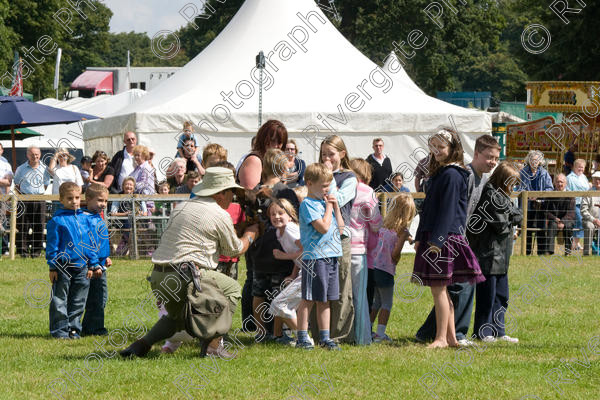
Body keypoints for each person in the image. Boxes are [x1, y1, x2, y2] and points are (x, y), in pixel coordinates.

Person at [119, 167, 259, 359]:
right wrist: (251, 234)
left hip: (159, 276)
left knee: (177, 318)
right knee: (232, 288)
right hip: (188, 275)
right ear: (221, 193)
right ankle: (213, 345)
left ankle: (140, 345)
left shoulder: (182, 206)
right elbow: (233, 250)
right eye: (232, 192)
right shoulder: (219, 214)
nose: (233, 197)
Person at [416, 134, 501, 346]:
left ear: (452, 147)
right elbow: (429, 209)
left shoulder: (452, 174)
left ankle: (440, 338)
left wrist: (437, 240)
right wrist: (420, 236)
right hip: (443, 235)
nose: (436, 150)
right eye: (433, 146)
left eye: (441, 146)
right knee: (445, 289)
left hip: (443, 238)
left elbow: (449, 210)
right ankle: (452, 338)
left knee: (440, 289)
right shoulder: (446, 172)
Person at [467, 162, 522, 343]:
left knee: (501, 295)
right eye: (511, 182)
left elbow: (517, 214)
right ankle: (482, 332)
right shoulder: (490, 194)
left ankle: (499, 330)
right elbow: (501, 225)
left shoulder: (503, 195)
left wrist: (512, 217)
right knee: (487, 297)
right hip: (488, 255)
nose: (513, 186)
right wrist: (512, 217)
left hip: (502, 255)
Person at [296, 163, 345, 351]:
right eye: (324, 186)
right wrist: (328, 208)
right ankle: (301, 336)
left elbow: (340, 229)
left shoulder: (325, 204)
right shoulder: (308, 204)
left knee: (326, 299)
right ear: (309, 183)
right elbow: (323, 227)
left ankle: (325, 337)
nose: (327, 189)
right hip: (315, 257)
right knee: (308, 298)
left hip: (332, 255)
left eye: (329, 185)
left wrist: (335, 207)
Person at [318, 135, 358, 343]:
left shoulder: (349, 177)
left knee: (341, 285)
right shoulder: (317, 175)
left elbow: (337, 199)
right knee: (320, 285)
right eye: (323, 154)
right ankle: (319, 332)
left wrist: (327, 177)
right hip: (318, 236)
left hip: (339, 236)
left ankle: (340, 334)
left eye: (331, 154)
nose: (327, 158)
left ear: (342, 154)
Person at [46, 182, 98, 339]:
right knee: (59, 299)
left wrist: (93, 264)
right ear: (61, 200)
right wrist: (53, 267)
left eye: (77, 197)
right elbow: (52, 245)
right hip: (63, 266)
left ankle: (74, 329)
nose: (74, 201)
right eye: (69, 198)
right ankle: (60, 330)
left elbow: (91, 243)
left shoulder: (86, 219)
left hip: (82, 266)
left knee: (78, 300)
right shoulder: (57, 221)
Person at [370, 193, 416, 342]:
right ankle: (380, 334)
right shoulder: (401, 232)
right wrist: (403, 242)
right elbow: (395, 254)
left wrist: (409, 238)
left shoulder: (384, 224)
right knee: (387, 303)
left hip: (374, 267)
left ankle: (368, 329)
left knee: (376, 301)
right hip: (386, 270)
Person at [348, 158, 383, 345]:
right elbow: (376, 224)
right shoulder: (367, 191)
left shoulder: (339, 188)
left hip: (339, 246)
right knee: (361, 296)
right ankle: (362, 337)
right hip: (360, 248)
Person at [267, 199, 303, 346]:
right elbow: (298, 255)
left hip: (312, 271)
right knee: (281, 304)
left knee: (279, 304)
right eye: (272, 214)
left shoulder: (290, 229)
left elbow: (307, 250)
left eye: (281, 213)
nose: (276, 217)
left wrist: (284, 256)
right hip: (303, 272)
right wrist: (293, 274)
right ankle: (287, 336)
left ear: (290, 216)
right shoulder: (279, 232)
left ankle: (303, 338)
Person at [81, 183, 112, 336]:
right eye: (100, 200)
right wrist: (94, 264)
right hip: (92, 266)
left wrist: (105, 257)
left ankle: (88, 327)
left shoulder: (97, 218)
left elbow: (100, 242)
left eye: (106, 201)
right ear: (88, 199)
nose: (103, 204)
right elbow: (88, 244)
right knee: (97, 297)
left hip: (100, 263)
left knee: (100, 297)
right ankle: (96, 329)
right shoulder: (86, 219)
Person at [14, 146, 51, 257]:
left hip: (40, 199)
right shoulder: (21, 169)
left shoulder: (45, 168)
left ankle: (36, 252)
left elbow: (45, 185)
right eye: (32, 154)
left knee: (39, 226)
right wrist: (25, 195)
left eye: (37, 154)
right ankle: (22, 252)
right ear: (27, 155)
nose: (35, 156)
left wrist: (36, 194)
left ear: (40, 155)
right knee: (22, 226)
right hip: (24, 199)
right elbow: (16, 185)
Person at [213, 161, 245, 280]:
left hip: (231, 260)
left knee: (230, 291)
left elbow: (241, 231)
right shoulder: (210, 206)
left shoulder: (237, 207)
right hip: (213, 260)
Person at [519, 150, 554, 255]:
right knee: (527, 229)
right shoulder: (523, 172)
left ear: (540, 161)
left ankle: (541, 252)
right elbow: (519, 187)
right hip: (527, 205)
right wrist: (528, 195)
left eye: (536, 160)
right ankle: (527, 252)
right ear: (528, 160)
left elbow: (550, 188)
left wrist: (539, 196)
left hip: (541, 205)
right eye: (532, 159)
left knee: (541, 229)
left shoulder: (544, 173)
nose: (534, 162)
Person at [237, 120, 287, 190]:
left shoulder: (277, 162)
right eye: (272, 141)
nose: (275, 146)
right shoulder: (254, 160)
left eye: (279, 142)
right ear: (263, 139)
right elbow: (250, 196)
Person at [543, 173, 575, 255]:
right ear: (554, 183)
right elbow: (546, 210)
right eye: (557, 182)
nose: (559, 184)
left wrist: (563, 221)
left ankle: (568, 252)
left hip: (566, 219)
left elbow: (571, 212)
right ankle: (549, 251)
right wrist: (555, 219)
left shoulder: (571, 195)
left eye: (561, 182)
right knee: (552, 225)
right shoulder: (550, 194)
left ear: (566, 183)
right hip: (554, 219)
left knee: (568, 226)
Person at [567, 159, 591, 251]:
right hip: (575, 203)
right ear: (574, 167)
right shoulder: (569, 177)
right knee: (580, 221)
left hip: (585, 203)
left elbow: (587, 188)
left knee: (582, 222)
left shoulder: (584, 177)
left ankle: (576, 242)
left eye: (582, 167)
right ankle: (574, 243)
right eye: (579, 167)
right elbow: (568, 190)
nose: (580, 169)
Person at [581, 171, 600, 256]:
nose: (597, 181)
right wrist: (594, 220)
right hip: (589, 220)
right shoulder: (588, 193)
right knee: (589, 226)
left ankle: (597, 252)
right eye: (595, 179)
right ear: (592, 180)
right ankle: (586, 253)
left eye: (599, 179)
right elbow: (583, 210)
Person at [0, 143, 13, 253]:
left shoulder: (5, 163)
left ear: (2, 150)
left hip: (2, 197)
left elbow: (8, 182)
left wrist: (6, 197)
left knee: (2, 222)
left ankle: (4, 248)